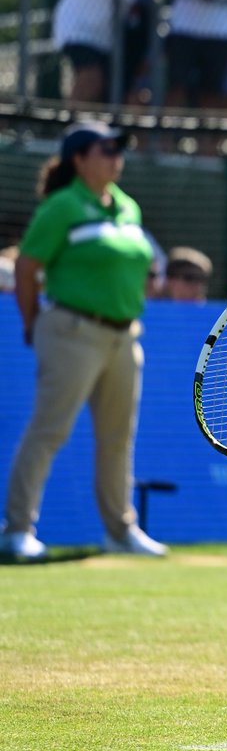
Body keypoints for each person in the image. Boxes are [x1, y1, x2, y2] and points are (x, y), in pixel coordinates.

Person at [0, 122, 168, 560]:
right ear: (79, 159)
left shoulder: (128, 207)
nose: (116, 157)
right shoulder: (61, 206)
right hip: (71, 331)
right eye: (106, 149)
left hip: (125, 335)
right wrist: (34, 321)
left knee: (118, 438)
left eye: (119, 149)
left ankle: (120, 531)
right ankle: (17, 530)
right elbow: (26, 268)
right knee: (48, 430)